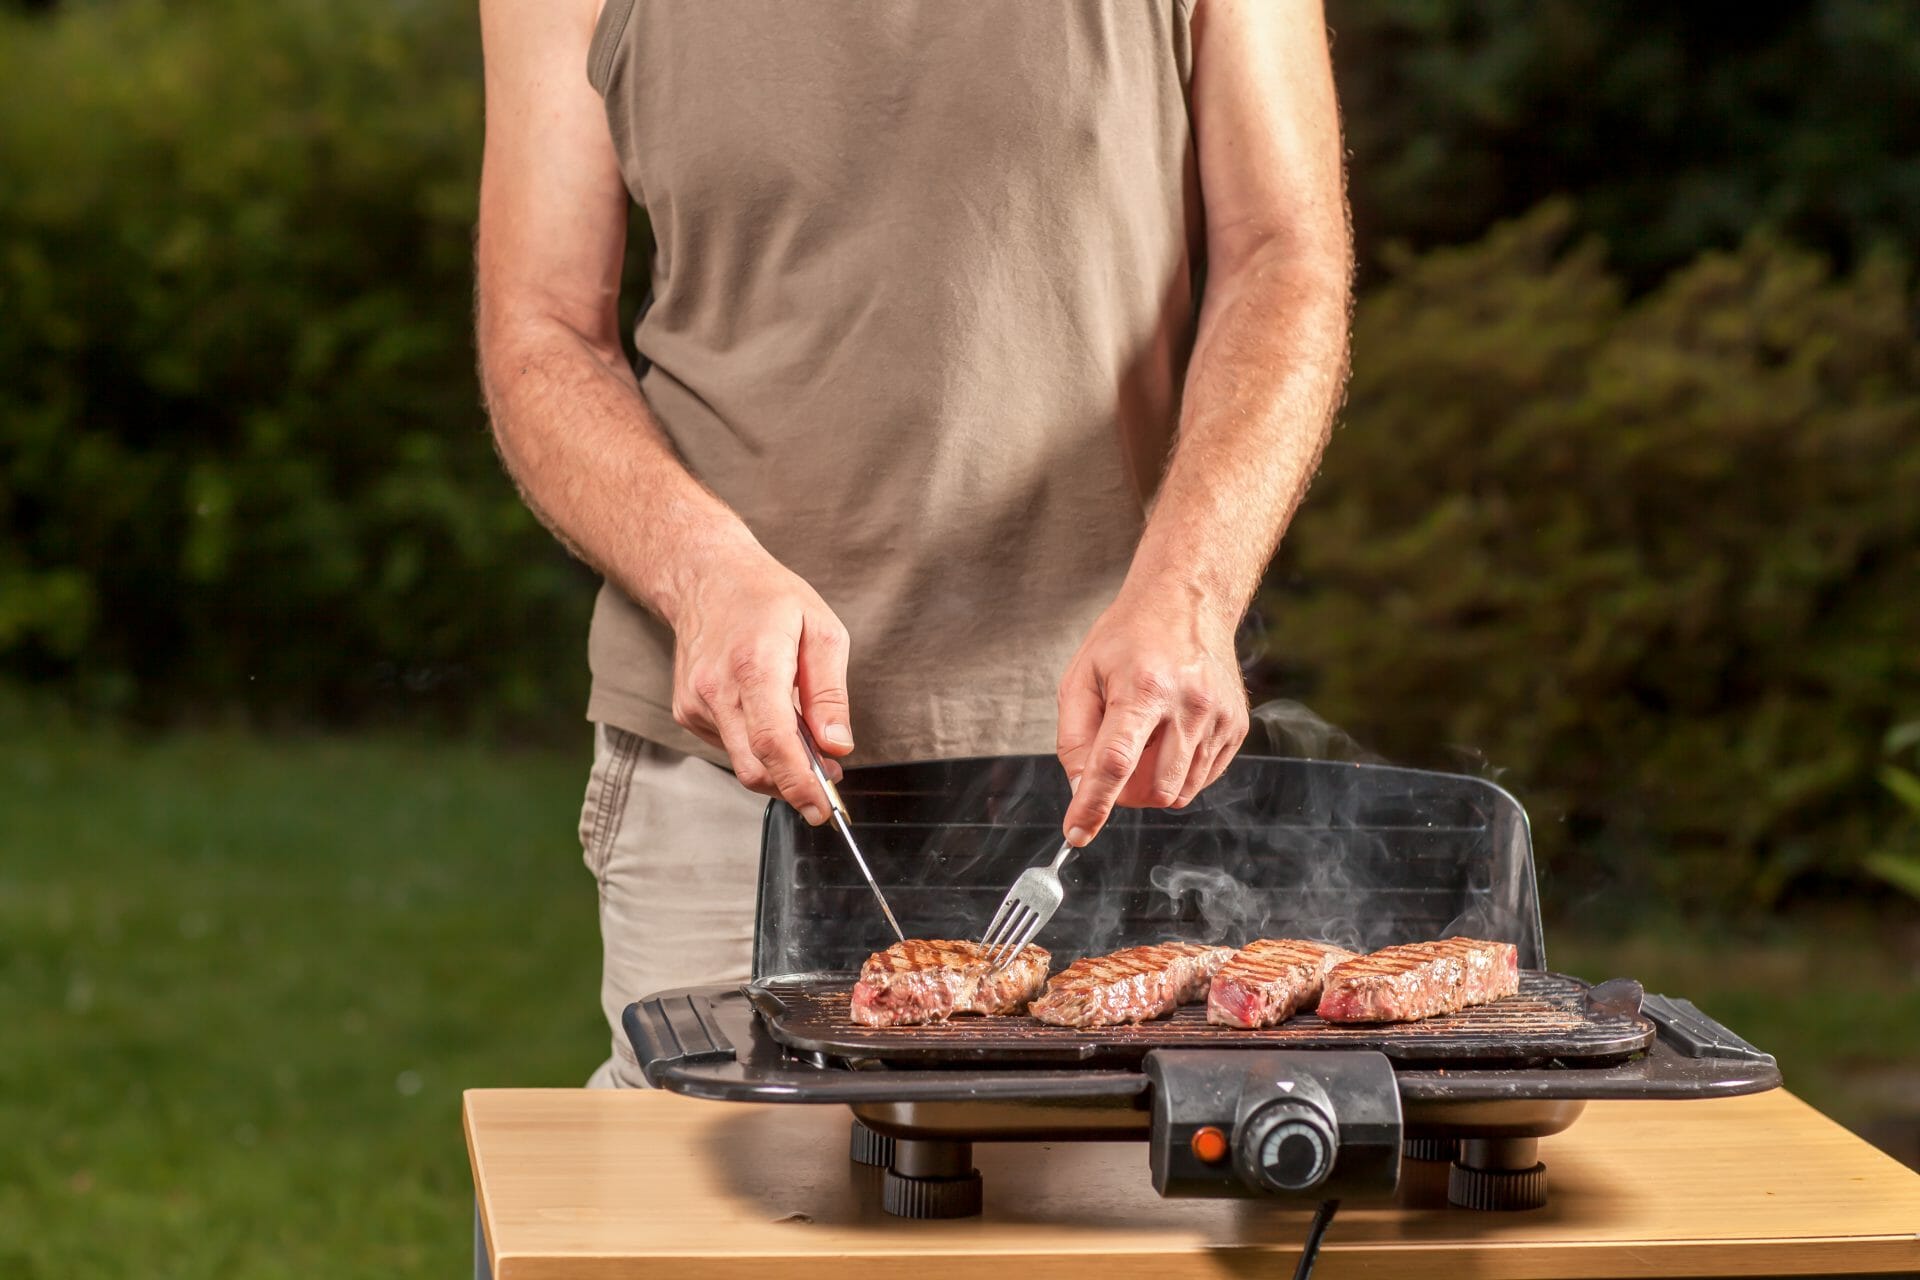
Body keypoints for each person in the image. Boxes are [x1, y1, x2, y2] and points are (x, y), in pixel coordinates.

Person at [475, 0, 1352, 1087]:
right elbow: (544, 326)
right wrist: (703, 574)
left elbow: (1284, 254)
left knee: (1099, 1248)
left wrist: (1194, 586)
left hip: (1109, 766)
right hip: (724, 769)